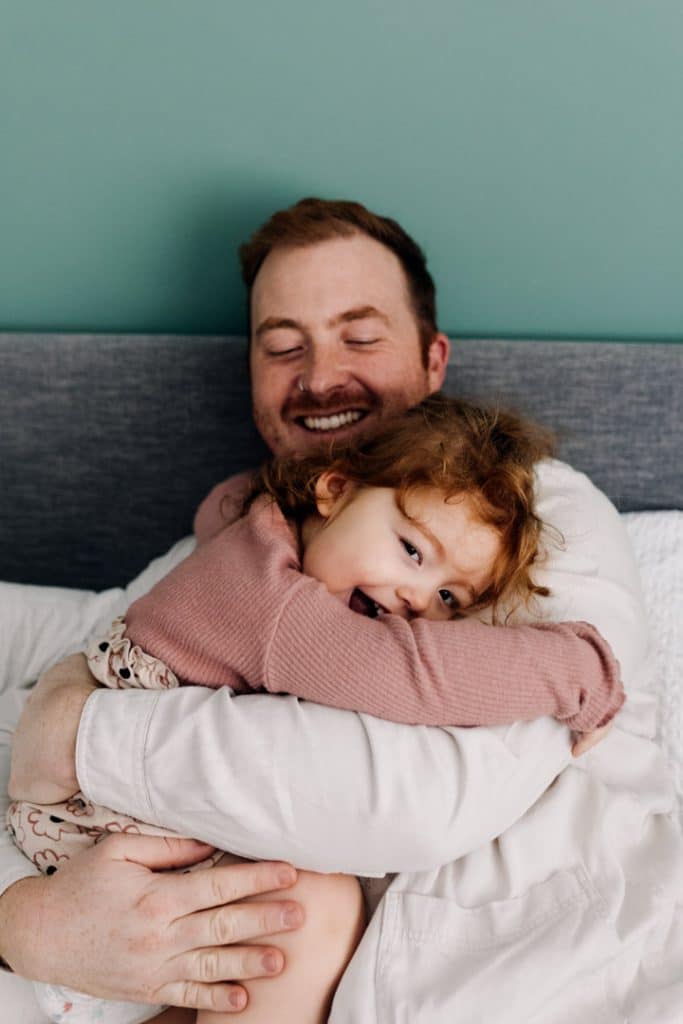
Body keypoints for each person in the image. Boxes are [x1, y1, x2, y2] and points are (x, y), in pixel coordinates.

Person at [3, 198, 682, 1021]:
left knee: (301, 906)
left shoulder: (526, 517)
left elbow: (412, 801)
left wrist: (75, 731)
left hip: (498, 976)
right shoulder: (261, 558)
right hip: (123, 865)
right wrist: (22, 921)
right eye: (284, 346)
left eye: (360, 337)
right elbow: (96, 627)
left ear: (433, 361)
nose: (320, 376)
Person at [9, 394, 625, 1024]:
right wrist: (579, 672)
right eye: (412, 549)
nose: (415, 600)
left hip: (106, 824)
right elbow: (406, 673)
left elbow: (216, 505)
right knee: (307, 912)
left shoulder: (258, 531)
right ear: (334, 490)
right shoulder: (278, 606)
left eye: (448, 595)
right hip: (89, 836)